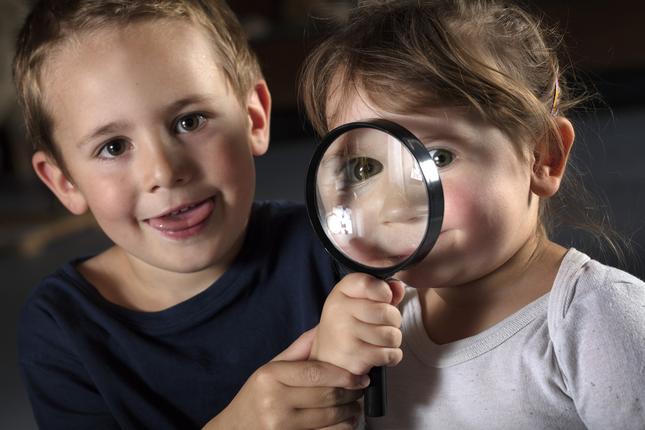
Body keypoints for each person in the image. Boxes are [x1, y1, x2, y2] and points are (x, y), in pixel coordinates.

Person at [13, 1, 402, 428]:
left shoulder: (338, 247)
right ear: (64, 182)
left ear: (254, 119)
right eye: (113, 147)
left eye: (189, 121)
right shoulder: (61, 329)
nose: (164, 172)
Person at [302, 0, 645, 428]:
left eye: (438, 156)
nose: (393, 203)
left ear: (543, 157)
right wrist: (337, 379)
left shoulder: (598, 319)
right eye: (365, 168)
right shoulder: (382, 325)